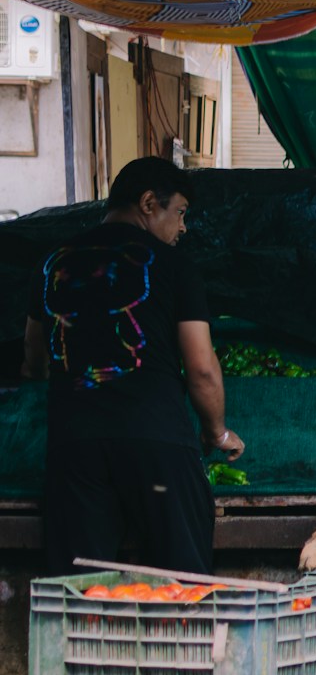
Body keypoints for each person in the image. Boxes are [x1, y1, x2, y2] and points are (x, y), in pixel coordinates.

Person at [21, 157, 244, 574]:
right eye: (179, 212)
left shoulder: (52, 264)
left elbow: (34, 359)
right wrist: (216, 431)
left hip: (76, 448)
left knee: (78, 589)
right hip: (157, 445)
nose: (182, 228)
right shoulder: (174, 265)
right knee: (182, 585)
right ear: (147, 203)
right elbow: (201, 368)